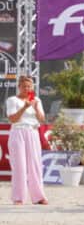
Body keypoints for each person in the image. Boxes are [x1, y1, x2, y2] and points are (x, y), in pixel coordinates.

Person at [6, 75, 48, 205]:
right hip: (18, 132)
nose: (26, 88)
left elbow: (42, 120)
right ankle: (18, 197)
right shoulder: (12, 100)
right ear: (19, 87)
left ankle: (38, 196)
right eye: (24, 86)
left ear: (32, 87)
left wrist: (34, 107)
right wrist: (24, 107)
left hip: (32, 132)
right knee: (19, 166)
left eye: (29, 86)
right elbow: (12, 119)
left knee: (35, 165)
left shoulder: (37, 100)